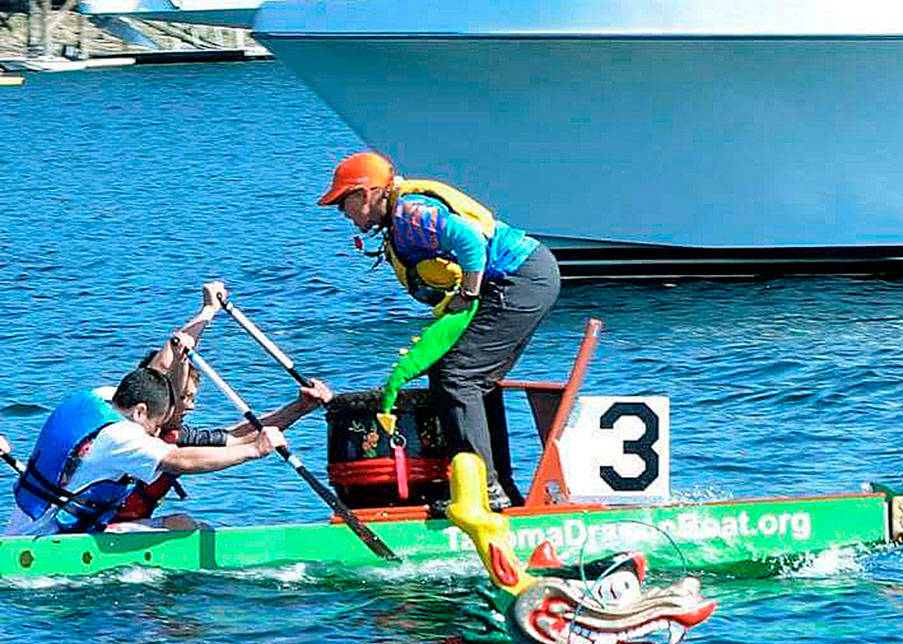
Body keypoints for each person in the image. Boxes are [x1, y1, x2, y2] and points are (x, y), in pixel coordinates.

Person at [318, 151, 560, 509]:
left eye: (343, 203)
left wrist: (468, 293)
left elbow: (470, 242)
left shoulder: (410, 213)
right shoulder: (398, 222)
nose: (343, 213)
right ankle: (498, 486)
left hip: (521, 278)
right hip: (519, 279)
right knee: (464, 376)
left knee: (457, 377)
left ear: (365, 194)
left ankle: (480, 490)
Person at [110, 283, 333, 528]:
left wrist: (300, 407)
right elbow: (163, 367)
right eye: (185, 398)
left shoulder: (176, 437)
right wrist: (206, 312)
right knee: (182, 525)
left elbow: (239, 436)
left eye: (192, 398)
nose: (190, 407)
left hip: (118, 527)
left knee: (193, 527)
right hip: (88, 533)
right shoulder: (121, 431)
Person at [7, 366, 286, 537]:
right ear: (140, 411)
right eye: (155, 425)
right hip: (56, 539)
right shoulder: (121, 437)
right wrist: (254, 450)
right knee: (185, 527)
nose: (156, 434)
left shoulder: (97, 397)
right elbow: (178, 460)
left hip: (24, 525)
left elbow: (161, 366)